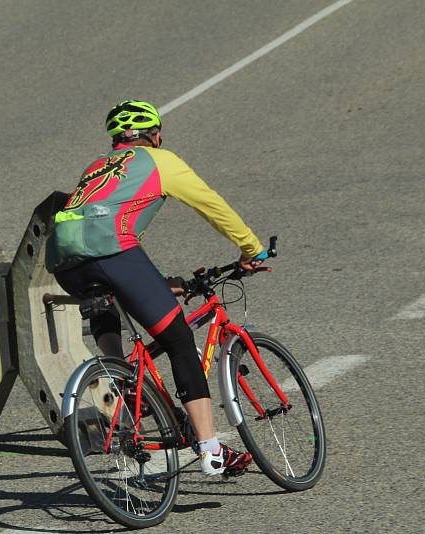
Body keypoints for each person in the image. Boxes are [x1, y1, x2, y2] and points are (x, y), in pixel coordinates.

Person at [45, 99, 268, 475]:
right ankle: (212, 450)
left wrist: (164, 284)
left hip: (64, 262)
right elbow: (210, 204)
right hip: (113, 253)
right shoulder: (161, 161)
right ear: (156, 134)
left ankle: (121, 377)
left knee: (112, 299)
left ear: (118, 139)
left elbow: (101, 225)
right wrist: (251, 248)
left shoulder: (96, 167)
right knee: (178, 339)